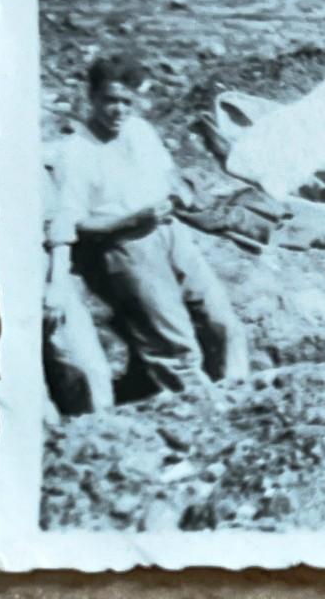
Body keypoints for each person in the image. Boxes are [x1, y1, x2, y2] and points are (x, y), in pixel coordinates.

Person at [43, 56, 249, 403]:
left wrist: (181, 193)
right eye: (110, 100)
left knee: (222, 323)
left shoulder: (140, 130)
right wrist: (131, 221)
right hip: (123, 249)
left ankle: (243, 399)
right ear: (92, 97)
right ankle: (201, 417)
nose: (118, 110)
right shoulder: (75, 152)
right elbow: (76, 224)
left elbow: (166, 175)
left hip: (169, 233)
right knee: (173, 346)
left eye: (127, 101)